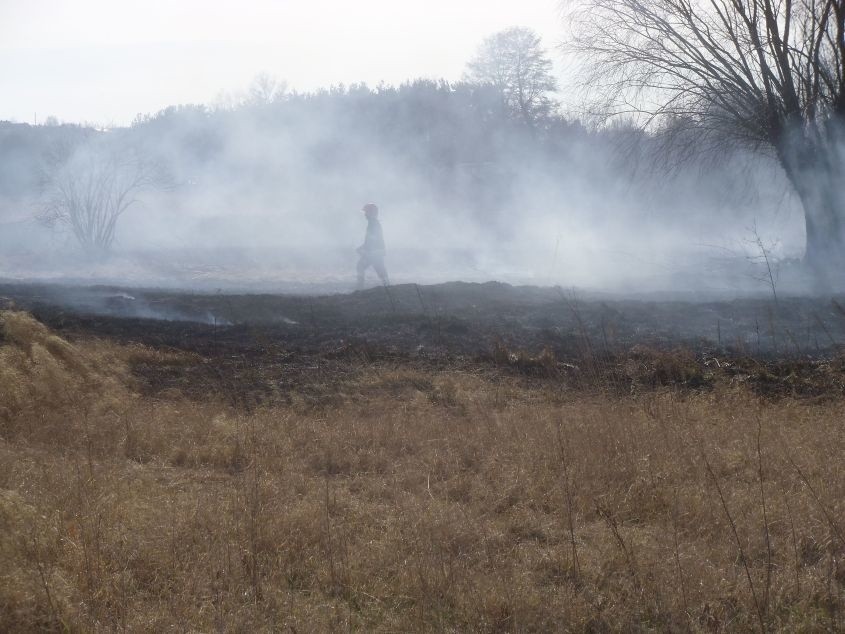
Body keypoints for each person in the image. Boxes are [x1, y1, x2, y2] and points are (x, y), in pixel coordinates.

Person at [356, 203, 389, 289]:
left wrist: (364, 249)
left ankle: (360, 287)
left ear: (371, 213)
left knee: (360, 266)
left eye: (366, 212)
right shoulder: (373, 223)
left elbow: (372, 239)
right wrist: (363, 247)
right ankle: (388, 286)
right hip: (377, 251)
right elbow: (370, 239)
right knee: (380, 269)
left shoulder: (373, 223)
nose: (365, 215)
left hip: (374, 252)